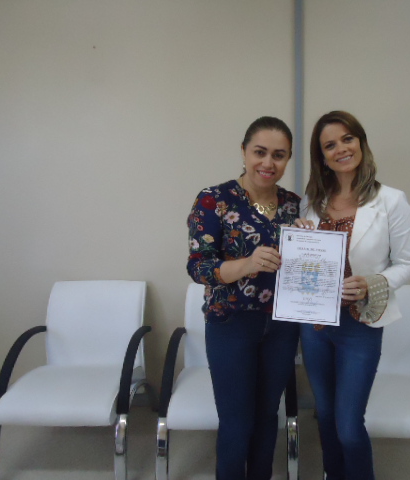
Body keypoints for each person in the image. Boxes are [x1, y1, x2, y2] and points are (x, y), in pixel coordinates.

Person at [295, 110, 410, 480]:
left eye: (347, 139)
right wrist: (299, 238)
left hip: (359, 325)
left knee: (349, 426)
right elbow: (305, 263)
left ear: (361, 142)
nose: (341, 149)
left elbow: (408, 264)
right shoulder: (311, 201)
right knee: (325, 415)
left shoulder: (391, 201)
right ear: (322, 156)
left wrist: (372, 282)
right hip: (315, 325)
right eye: (329, 145)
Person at [186, 116, 301, 480]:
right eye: (260, 152)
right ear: (244, 151)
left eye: (279, 155)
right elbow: (198, 267)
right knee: (237, 421)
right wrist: (246, 264)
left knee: (268, 417)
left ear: (288, 159)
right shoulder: (214, 200)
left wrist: (311, 237)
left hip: (282, 325)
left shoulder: (294, 206)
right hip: (231, 322)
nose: (268, 163)